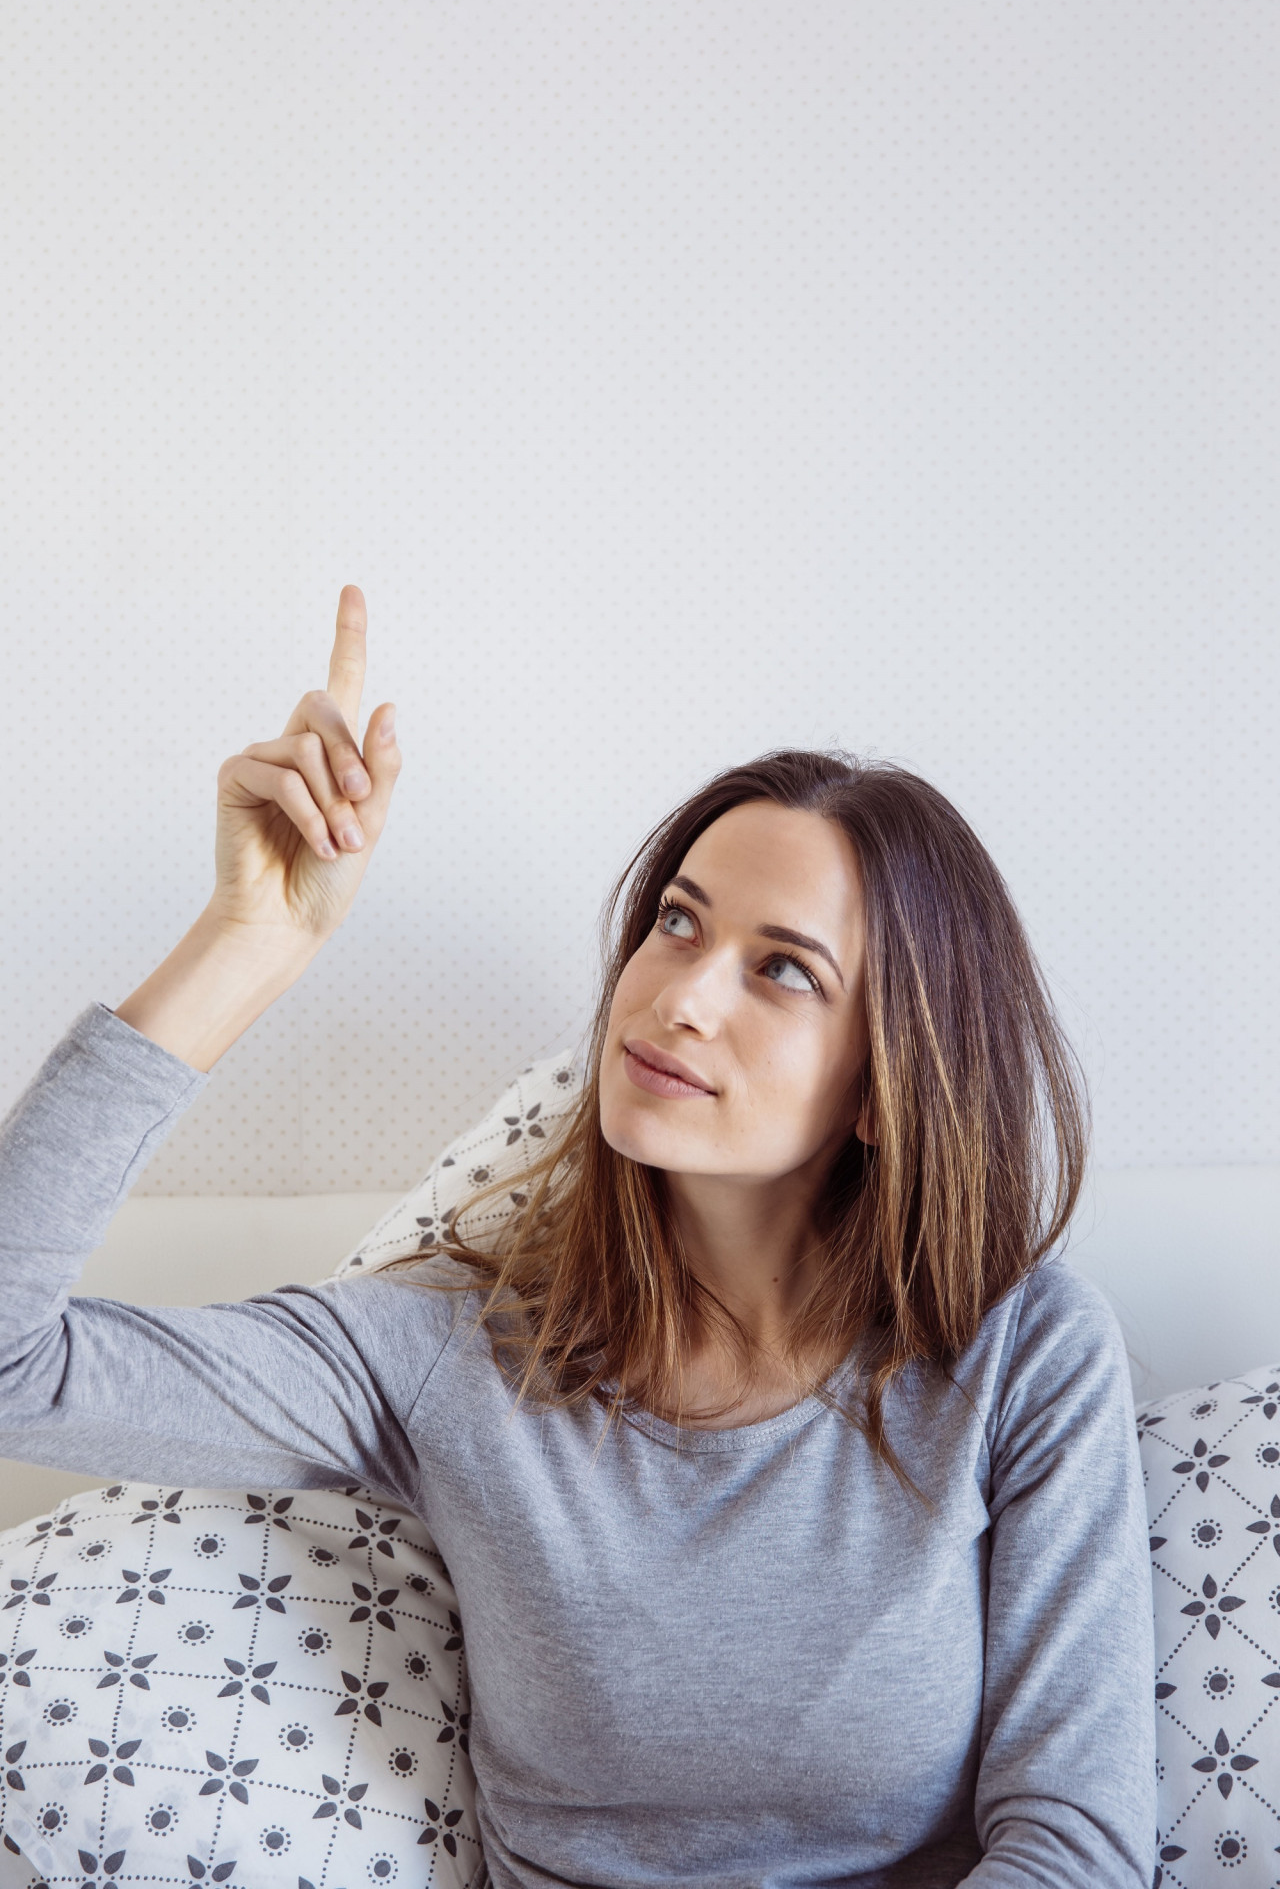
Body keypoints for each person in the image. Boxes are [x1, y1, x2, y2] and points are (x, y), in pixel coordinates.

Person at [0, 587, 1156, 1888]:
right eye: (677, 919)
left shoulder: (1019, 1355)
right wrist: (245, 943)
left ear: (889, 1085)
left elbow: (1077, 1848)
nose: (679, 995)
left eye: (784, 970)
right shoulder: (448, 1352)